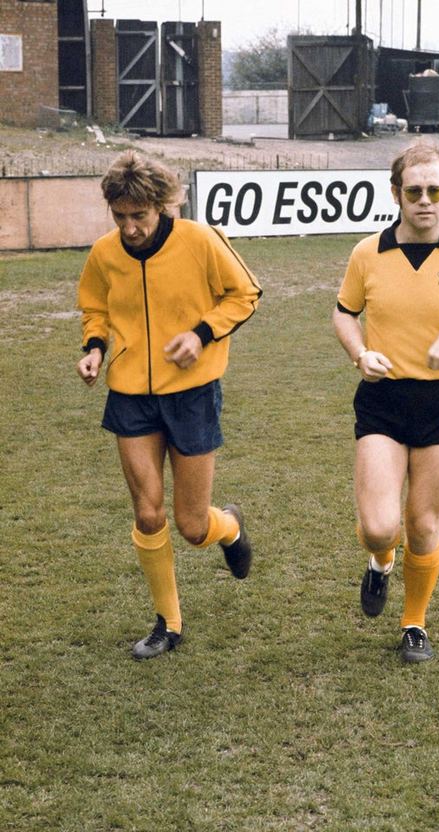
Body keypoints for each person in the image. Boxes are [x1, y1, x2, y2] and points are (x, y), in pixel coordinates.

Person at [77, 150, 262, 660]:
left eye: (139, 216)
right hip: (131, 395)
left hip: (193, 393)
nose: (130, 228)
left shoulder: (200, 240)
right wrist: (95, 348)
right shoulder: (104, 254)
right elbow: (94, 306)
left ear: (162, 205)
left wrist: (201, 334)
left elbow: (245, 293)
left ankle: (231, 527)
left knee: (192, 525)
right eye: (121, 218)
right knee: (148, 511)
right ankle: (168, 621)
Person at [333, 139, 439, 662]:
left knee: (424, 525)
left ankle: (414, 625)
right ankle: (380, 560)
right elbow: (343, 313)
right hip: (383, 400)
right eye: (413, 191)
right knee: (381, 526)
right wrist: (360, 353)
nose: (424, 200)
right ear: (395, 193)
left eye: (434, 190)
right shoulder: (368, 253)